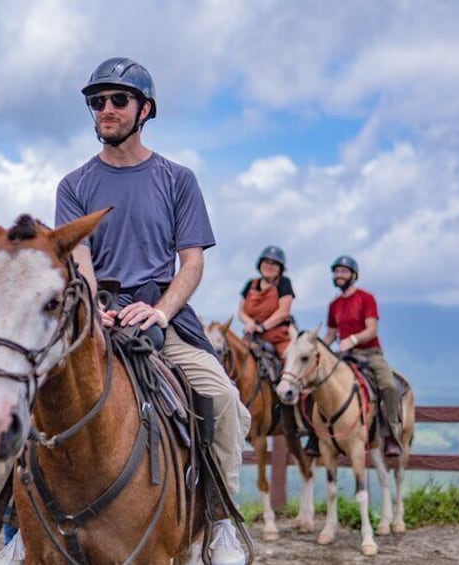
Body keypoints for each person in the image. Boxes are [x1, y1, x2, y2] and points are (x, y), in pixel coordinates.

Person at [55, 56, 251, 565]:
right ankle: (14, 527)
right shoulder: (73, 186)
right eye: (97, 101)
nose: (106, 109)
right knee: (22, 394)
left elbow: (190, 264)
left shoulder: (178, 179)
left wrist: (159, 313)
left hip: (164, 317)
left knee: (222, 398)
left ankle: (222, 523)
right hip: (95, 320)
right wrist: (97, 309)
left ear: (145, 110)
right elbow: (79, 262)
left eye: (118, 99)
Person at [322, 255, 402, 457]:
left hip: (370, 353)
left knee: (389, 387)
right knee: (320, 382)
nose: (339, 275)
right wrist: (316, 347)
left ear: (353, 275)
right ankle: (318, 436)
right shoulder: (334, 305)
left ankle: (392, 434)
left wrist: (353, 340)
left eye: (343, 271)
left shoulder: (366, 298)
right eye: (337, 271)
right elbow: (331, 334)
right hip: (346, 355)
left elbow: (372, 329)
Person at [238, 245, 295, 357]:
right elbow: (240, 312)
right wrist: (250, 323)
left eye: (274, 263)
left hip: (279, 338)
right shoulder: (250, 284)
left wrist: (262, 327)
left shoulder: (284, 283)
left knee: (290, 362)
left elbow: (283, 312)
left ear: (280, 268)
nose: (269, 266)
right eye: (266, 262)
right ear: (260, 264)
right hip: (252, 336)